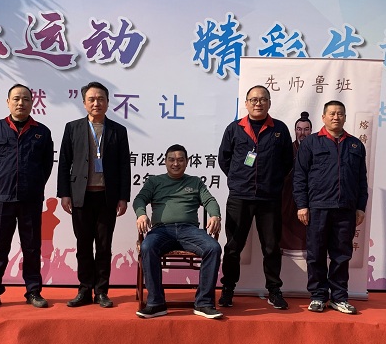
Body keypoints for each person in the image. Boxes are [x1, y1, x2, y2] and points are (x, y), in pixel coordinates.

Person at [0, 83, 54, 309]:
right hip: (2, 199)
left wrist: (34, 186)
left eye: (26, 99)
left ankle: (33, 291)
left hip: (31, 199)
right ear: (8, 102)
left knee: (32, 247)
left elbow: (46, 165)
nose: (21, 103)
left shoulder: (42, 132)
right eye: (16, 99)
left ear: (32, 103)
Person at [218, 85, 293, 309]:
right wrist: (239, 179)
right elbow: (224, 159)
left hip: (269, 198)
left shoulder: (279, 129)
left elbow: (288, 161)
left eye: (262, 99)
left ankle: (274, 291)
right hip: (240, 196)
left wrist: (272, 180)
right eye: (253, 99)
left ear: (269, 103)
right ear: (246, 103)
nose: (258, 103)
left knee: (271, 247)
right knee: (233, 247)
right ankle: (228, 289)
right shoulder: (234, 128)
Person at [57, 81, 131, 308]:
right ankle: (84, 289)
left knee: (104, 246)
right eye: (91, 99)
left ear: (107, 102)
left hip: (107, 197)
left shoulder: (118, 130)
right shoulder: (72, 128)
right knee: (83, 245)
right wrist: (64, 193)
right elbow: (64, 163)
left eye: (101, 99)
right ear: (84, 103)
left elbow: (124, 166)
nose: (96, 103)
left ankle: (101, 291)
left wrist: (123, 197)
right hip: (81, 197)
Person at [294, 100, 368, 315]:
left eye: (340, 114)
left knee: (341, 255)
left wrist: (360, 207)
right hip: (318, 207)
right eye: (332, 114)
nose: (336, 117)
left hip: (346, 208)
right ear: (323, 117)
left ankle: (339, 297)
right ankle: (318, 296)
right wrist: (302, 205)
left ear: (345, 117)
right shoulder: (311, 143)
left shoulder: (355, 145)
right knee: (316, 254)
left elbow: (361, 180)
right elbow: (300, 176)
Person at [133, 144, 223, 319]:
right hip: (161, 231)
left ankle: (204, 303)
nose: (176, 163)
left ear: (187, 162)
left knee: (213, 248)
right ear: (165, 161)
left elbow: (210, 200)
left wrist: (215, 215)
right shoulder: (154, 181)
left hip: (189, 230)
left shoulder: (195, 182)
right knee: (147, 247)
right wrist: (141, 214)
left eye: (180, 160)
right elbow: (139, 199)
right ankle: (156, 303)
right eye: (172, 160)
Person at [280, 112, 313, 254]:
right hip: (288, 194)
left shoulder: (316, 148)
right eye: (299, 129)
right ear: (295, 131)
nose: (302, 133)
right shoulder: (288, 148)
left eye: (306, 129)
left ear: (311, 131)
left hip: (309, 195)